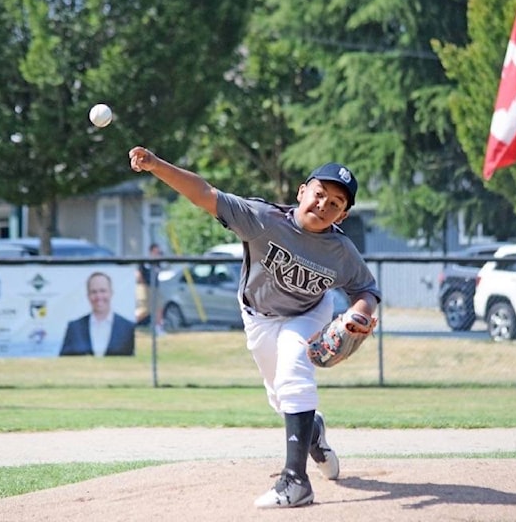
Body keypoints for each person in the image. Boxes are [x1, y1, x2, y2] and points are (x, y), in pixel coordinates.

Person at [128, 146, 380, 509]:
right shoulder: (263, 218)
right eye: (319, 193)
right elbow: (204, 193)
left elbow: (367, 290)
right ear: (301, 192)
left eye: (336, 202)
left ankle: (296, 481)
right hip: (258, 317)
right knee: (281, 397)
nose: (324, 204)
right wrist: (155, 165)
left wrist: (359, 312)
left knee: (296, 370)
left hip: (308, 313)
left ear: (344, 213)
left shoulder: (341, 250)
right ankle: (313, 432)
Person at [60, 271, 135, 356]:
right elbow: (64, 362)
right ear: (88, 295)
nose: (98, 296)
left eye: (103, 291)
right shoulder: (74, 328)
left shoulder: (129, 328)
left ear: (111, 293)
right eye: (93, 292)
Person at [135, 243, 165, 333]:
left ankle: (158, 328)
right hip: (145, 287)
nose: (158, 253)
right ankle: (130, 323)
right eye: (156, 251)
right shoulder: (145, 262)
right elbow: (138, 274)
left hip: (155, 287)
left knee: (158, 307)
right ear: (151, 251)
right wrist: (143, 284)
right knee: (144, 310)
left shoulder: (157, 263)